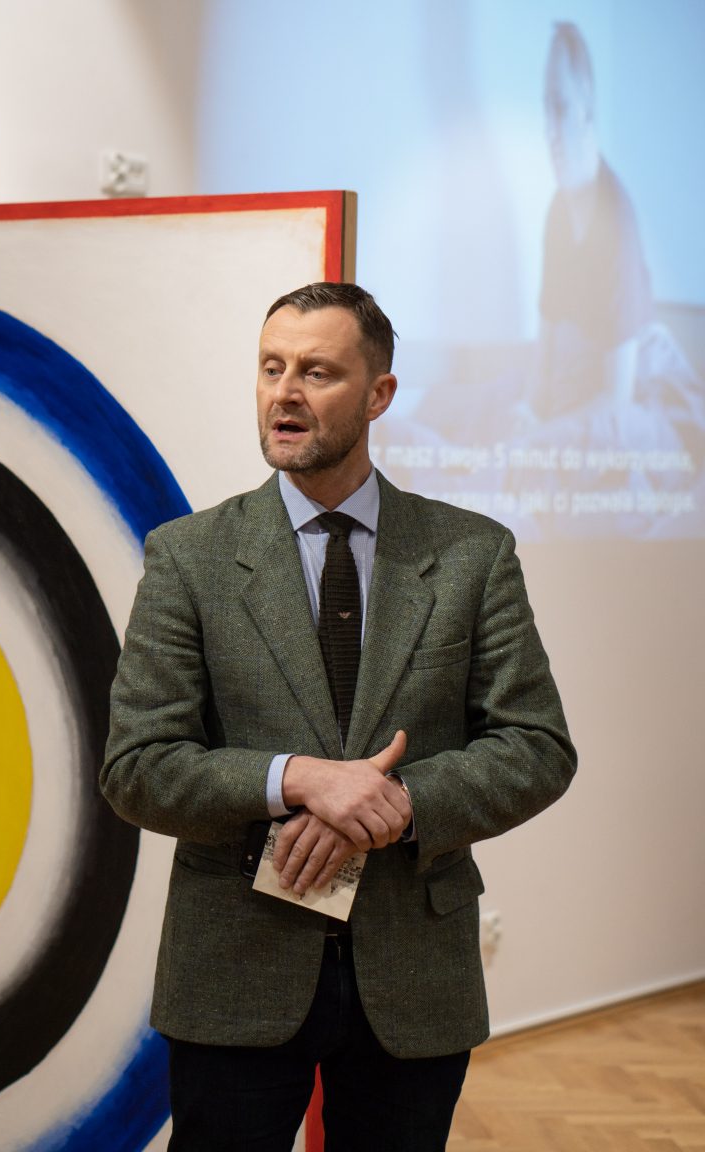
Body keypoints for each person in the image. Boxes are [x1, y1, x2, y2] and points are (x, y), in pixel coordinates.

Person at [101, 282, 577, 1151]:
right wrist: (300, 780)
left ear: (379, 394)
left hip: (413, 973)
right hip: (236, 968)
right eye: (270, 368)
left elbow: (537, 746)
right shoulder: (189, 558)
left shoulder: (471, 555)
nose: (284, 392)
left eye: (316, 372)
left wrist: (394, 806)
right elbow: (138, 766)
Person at [533, 20, 653, 426]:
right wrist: (529, 410)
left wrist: (540, 435)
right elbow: (544, 357)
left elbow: (617, 402)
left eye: (561, 108)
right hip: (571, 389)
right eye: (545, 110)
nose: (549, 132)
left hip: (616, 412)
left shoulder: (616, 218)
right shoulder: (557, 209)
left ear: (587, 108)